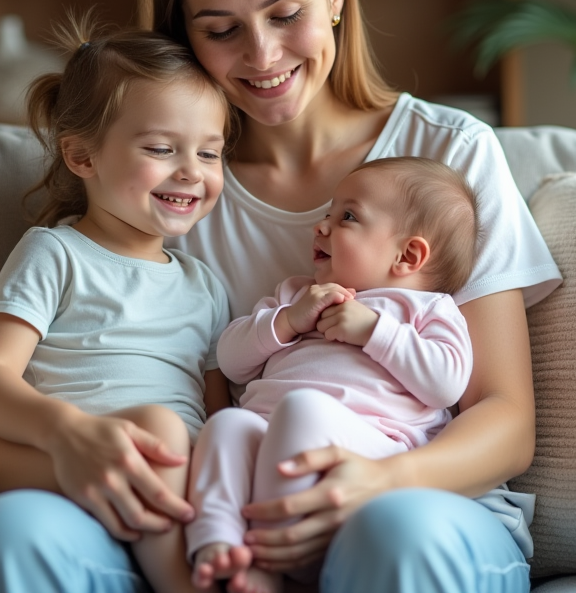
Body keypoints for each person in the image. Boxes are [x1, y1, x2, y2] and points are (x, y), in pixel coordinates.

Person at [0, 0, 562, 593]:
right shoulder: (170, 187)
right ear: (185, 37)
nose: (262, 55)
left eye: (286, 13)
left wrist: (383, 481)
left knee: (396, 532)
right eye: (221, 28)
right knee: (10, 537)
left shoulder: (447, 153)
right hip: (211, 519)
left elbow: (505, 419)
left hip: (415, 504)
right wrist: (83, 456)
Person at [0, 13, 235, 593]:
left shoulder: (205, 286)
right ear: (82, 157)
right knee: (157, 428)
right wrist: (64, 431)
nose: (190, 172)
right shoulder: (57, 253)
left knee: (179, 434)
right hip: (67, 490)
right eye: (161, 147)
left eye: (210, 153)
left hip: (180, 500)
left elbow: (219, 415)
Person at [187, 157, 479, 593]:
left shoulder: (425, 310)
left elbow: (447, 383)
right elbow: (231, 360)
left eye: (347, 216)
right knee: (226, 424)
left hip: (367, 452)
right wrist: (288, 322)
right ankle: (218, 544)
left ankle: (275, 555)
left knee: (302, 409)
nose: (321, 226)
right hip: (267, 437)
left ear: (408, 255)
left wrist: (375, 332)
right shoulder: (296, 295)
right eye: (328, 213)